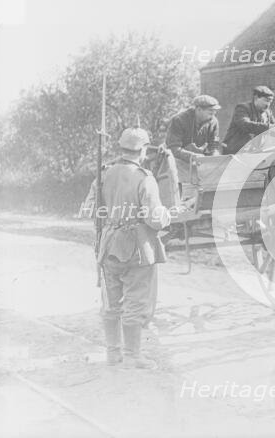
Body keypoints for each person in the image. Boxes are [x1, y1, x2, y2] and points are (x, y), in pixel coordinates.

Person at [95, 128, 171, 369]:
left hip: (107, 245)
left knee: (111, 302)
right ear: (143, 150)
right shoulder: (144, 177)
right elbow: (154, 219)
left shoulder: (103, 174)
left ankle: (113, 353)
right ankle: (132, 356)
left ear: (122, 148)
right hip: (137, 248)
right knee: (136, 302)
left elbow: (92, 208)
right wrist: (168, 216)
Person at [165, 95, 223, 172]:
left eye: (214, 112)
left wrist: (213, 156)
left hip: (200, 162)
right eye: (210, 112)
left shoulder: (213, 122)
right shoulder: (179, 120)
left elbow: (213, 145)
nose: (213, 115)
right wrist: (193, 156)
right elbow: (173, 149)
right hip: (177, 162)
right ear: (198, 109)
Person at [223, 85, 275, 154]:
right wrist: (268, 127)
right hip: (236, 150)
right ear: (256, 98)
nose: (268, 104)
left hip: (254, 151)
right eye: (266, 101)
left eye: (270, 101)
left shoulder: (267, 112)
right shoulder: (243, 108)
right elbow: (245, 124)